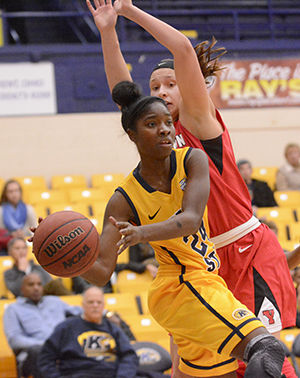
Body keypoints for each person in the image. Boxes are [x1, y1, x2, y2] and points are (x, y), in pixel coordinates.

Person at [86, 1, 296, 377]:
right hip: (198, 265)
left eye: (171, 84)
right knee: (193, 368)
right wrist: (107, 31)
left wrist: (130, 12)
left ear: (191, 86)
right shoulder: (156, 138)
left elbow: (182, 49)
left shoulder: (200, 122)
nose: (163, 91)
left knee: (261, 361)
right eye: (154, 87)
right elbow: (123, 93)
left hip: (243, 250)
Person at [67, 80, 286, 378]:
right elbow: (102, 271)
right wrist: (66, 260)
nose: (165, 129)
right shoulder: (123, 199)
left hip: (208, 282)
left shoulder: (192, 159)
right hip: (179, 287)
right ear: (132, 135)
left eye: (168, 122)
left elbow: (191, 219)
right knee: (266, 349)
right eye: (152, 124)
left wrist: (141, 233)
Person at [37, 286, 139, 378]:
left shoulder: (113, 328)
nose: (95, 305)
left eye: (99, 302)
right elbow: (45, 358)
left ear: (104, 305)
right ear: (82, 305)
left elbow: (129, 355)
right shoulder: (66, 327)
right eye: (91, 302)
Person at [3, 273, 82, 378]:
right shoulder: (13, 309)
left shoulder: (54, 301)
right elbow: (14, 340)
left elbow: (81, 312)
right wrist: (46, 344)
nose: (36, 288)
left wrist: (106, 314)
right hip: (34, 354)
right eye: (31, 284)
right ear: (22, 288)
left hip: (62, 350)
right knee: (38, 351)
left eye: (39, 284)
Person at [4, 236, 90, 297]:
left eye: (23, 248)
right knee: (55, 284)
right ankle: (74, 301)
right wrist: (21, 272)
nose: (21, 251)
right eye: (17, 248)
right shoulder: (9, 273)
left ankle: (78, 298)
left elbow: (48, 283)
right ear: (10, 252)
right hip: (26, 299)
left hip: (44, 296)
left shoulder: (37, 267)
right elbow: (17, 291)